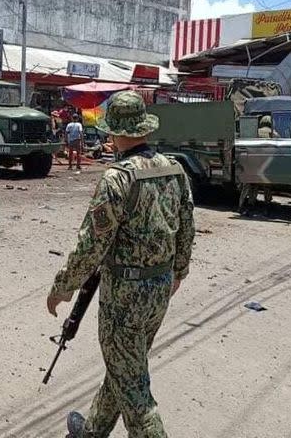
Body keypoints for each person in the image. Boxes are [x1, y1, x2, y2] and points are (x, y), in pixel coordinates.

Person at [47, 90, 195, 438]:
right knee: (125, 367)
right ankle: (93, 430)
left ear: (114, 132)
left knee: (136, 393)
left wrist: (63, 287)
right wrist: (179, 272)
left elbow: (90, 245)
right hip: (159, 289)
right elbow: (186, 227)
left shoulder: (118, 178)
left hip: (124, 295)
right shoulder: (174, 170)